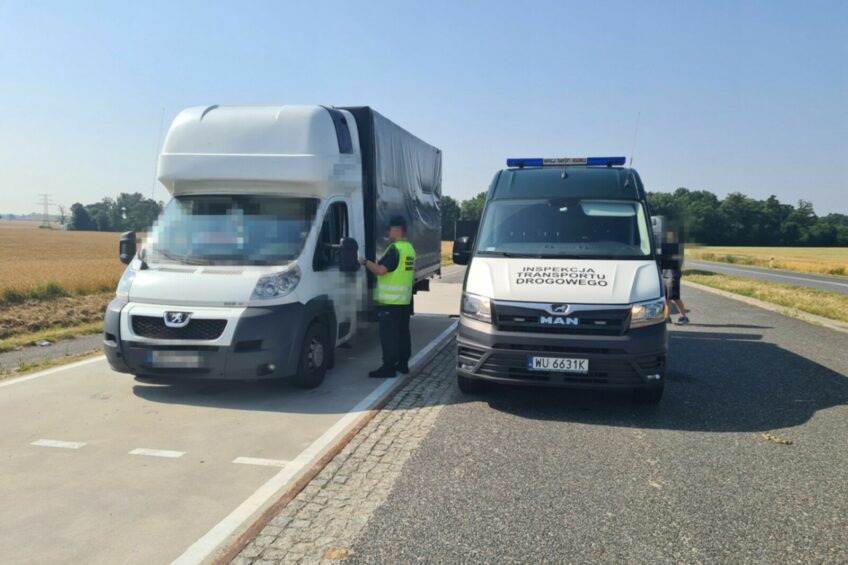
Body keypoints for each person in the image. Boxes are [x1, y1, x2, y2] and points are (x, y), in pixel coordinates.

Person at [359, 216, 416, 378]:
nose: (388, 233)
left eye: (390, 229)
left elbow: (381, 270)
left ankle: (388, 367)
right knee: (403, 333)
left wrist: (365, 262)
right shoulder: (409, 249)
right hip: (404, 301)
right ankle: (403, 364)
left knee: (389, 335)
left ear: (397, 230)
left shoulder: (395, 249)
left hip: (391, 302)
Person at [662, 231, 690, 325]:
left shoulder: (677, 249)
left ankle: (683, 317)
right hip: (666, 274)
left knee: (675, 297)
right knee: (667, 298)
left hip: (673, 275)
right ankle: (667, 317)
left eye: (670, 238)